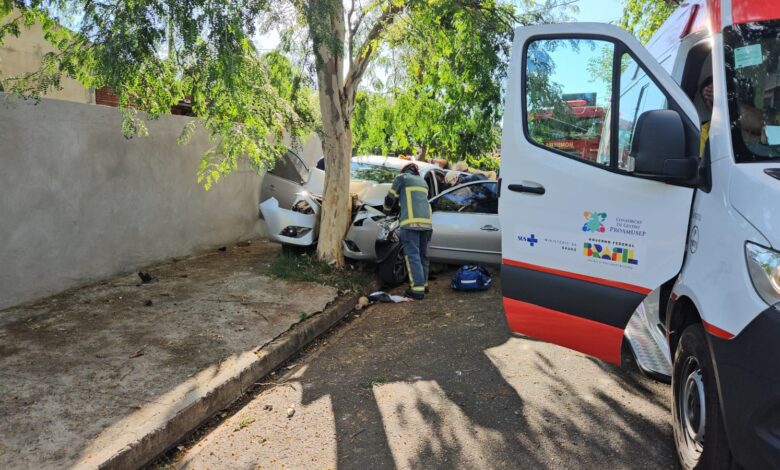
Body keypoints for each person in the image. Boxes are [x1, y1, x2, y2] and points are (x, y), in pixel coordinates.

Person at [383, 163, 432, 300]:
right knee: (423, 255)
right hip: (427, 225)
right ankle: (423, 285)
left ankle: (417, 290)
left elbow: (390, 198)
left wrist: (386, 211)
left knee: (412, 256)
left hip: (410, 224)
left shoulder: (402, 178)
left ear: (404, 171)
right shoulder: (423, 182)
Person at [699, 77, 713, 156]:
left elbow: (757, 124)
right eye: (708, 95)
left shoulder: (746, 120)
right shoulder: (702, 133)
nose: (712, 98)